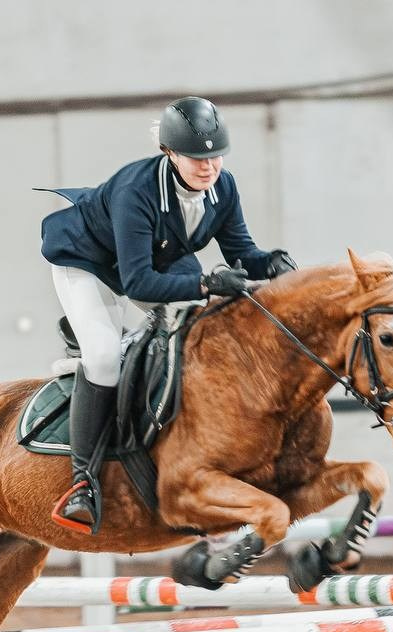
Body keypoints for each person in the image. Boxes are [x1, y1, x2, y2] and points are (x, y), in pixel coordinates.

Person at [40, 95, 297, 534]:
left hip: (154, 258)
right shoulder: (134, 190)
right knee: (103, 357)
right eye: (197, 158)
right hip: (87, 261)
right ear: (169, 152)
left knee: (207, 329)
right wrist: (205, 284)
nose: (208, 167)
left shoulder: (224, 186)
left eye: (215, 156)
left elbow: (241, 252)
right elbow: (138, 283)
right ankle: (82, 482)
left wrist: (272, 264)